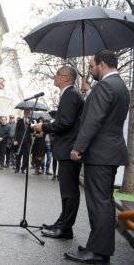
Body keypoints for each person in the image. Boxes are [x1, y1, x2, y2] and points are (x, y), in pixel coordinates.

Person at [64, 51, 129, 264]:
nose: (90, 70)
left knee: (99, 204)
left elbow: (94, 120)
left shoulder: (105, 86)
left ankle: (98, 253)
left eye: (91, 66)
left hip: (100, 154)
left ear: (102, 64)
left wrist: (78, 147)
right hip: (109, 152)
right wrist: (91, 93)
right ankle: (97, 246)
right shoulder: (120, 86)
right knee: (104, 202)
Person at [32, 66, 83, 240]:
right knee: (66, 191)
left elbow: (66, 123)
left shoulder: (70, 94)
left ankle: (65, 228)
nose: (55, 77)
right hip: (67, 148)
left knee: (69, 191)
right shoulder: (69, 94)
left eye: (58, 74)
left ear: (67, 78)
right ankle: (62, 223)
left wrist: (44, 126)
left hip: (69, 149)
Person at [14, 109, 32, 174]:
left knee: (26, 156)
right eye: (26, 113)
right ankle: (17, 168)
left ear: (29, 114)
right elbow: (16, 131)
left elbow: (32, 131)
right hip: (20, 141)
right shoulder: (19, 121)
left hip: (27, 142)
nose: (27, 114)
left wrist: (31, 126)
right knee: (18, 155)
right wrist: (15, 140)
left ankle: (23, 168)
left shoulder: (30, 122)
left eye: (28, 113)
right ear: (24, 113)